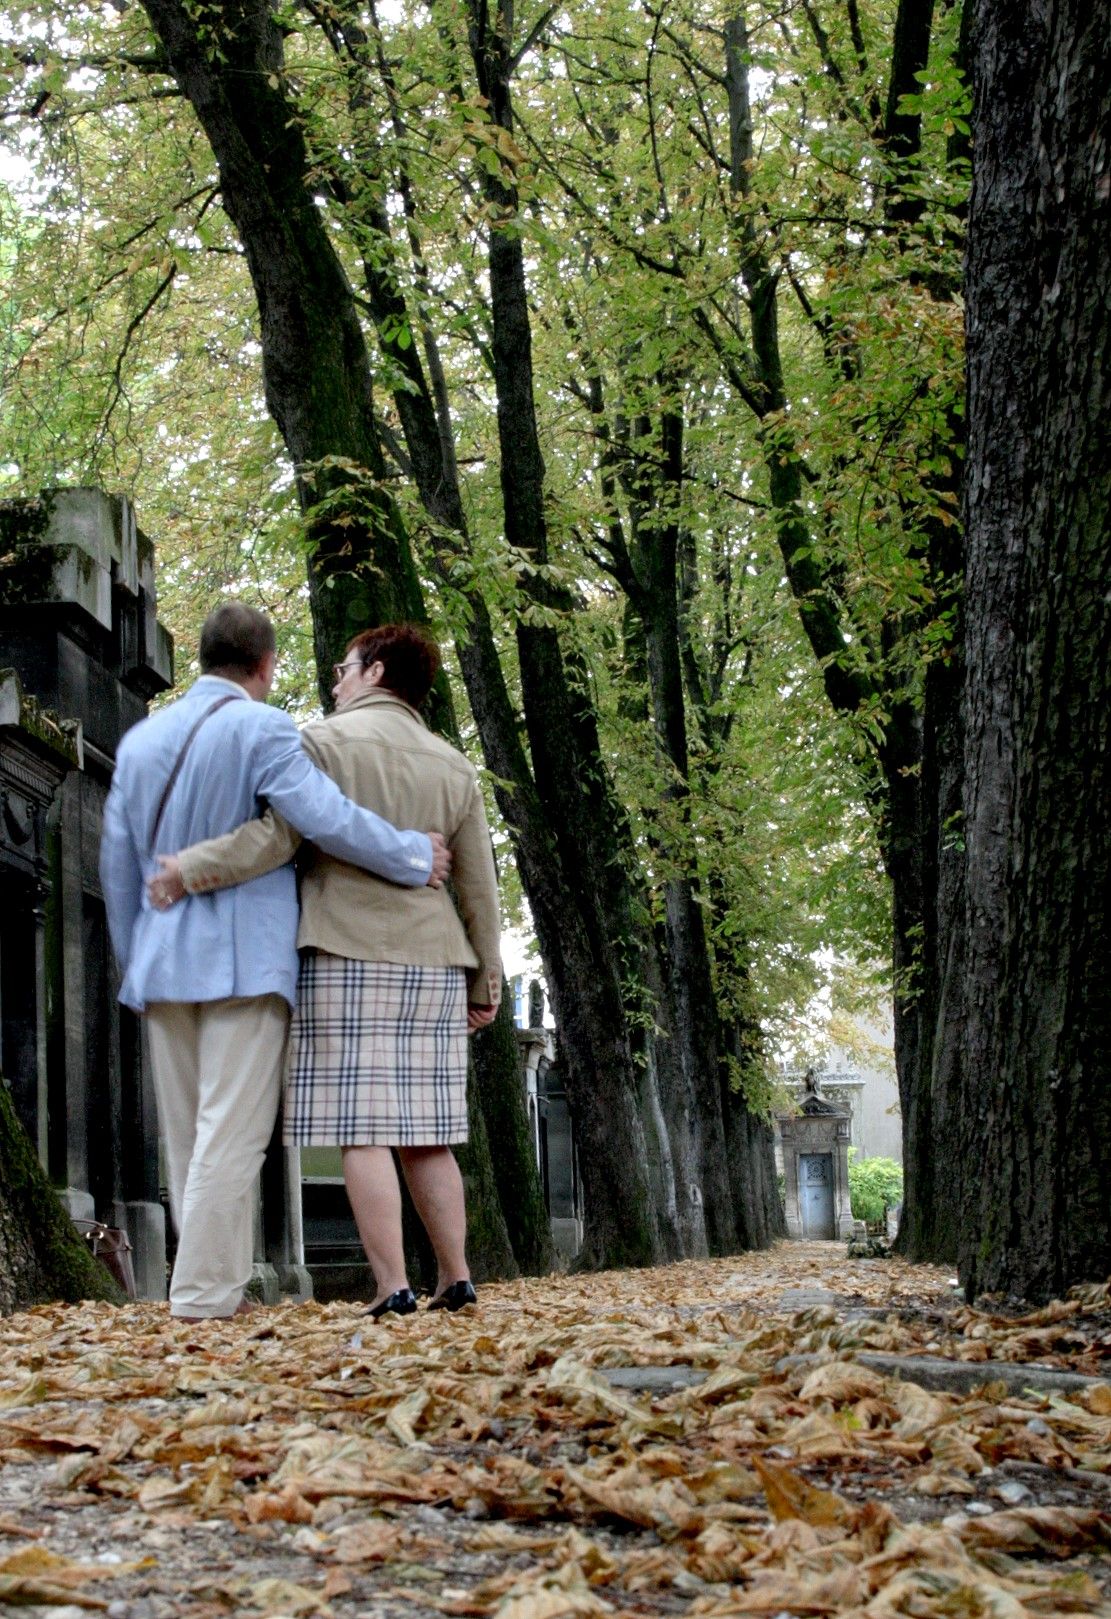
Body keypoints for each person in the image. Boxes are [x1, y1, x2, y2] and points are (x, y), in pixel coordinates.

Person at [100, 603, 452, 1323]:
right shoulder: (264, 728)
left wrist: (134, 959)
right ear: (264, 666)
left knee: (188, 1139)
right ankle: (198, 1299)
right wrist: (414, 854)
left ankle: (215, 1286)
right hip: (246, 965)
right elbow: (323, 816)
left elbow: (115, 864)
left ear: (203, 658)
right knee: (229, 1135)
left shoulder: (141, 740)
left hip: (162, 962)